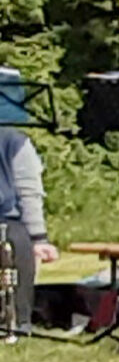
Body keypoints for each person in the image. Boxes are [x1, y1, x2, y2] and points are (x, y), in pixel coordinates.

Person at [0, 126, 58, 335]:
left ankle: (16, 319)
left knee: (17, 241)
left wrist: (38, 238)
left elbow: (29, 191)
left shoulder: (14, 141)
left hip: (5, 218)